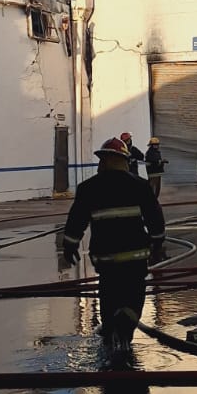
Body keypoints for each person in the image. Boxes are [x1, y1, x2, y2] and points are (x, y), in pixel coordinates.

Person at [61, 136, 165, 352]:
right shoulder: (139, 185)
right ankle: (124, 327)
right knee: (134, 298)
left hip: (106, 259)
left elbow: (76, 219)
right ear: (124, 161)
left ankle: (110, 335)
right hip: (135, 259)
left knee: (109, 297)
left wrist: (70, 245)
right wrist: (157, 241)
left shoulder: (88, 188)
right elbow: (155, 217)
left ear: (105, 161)